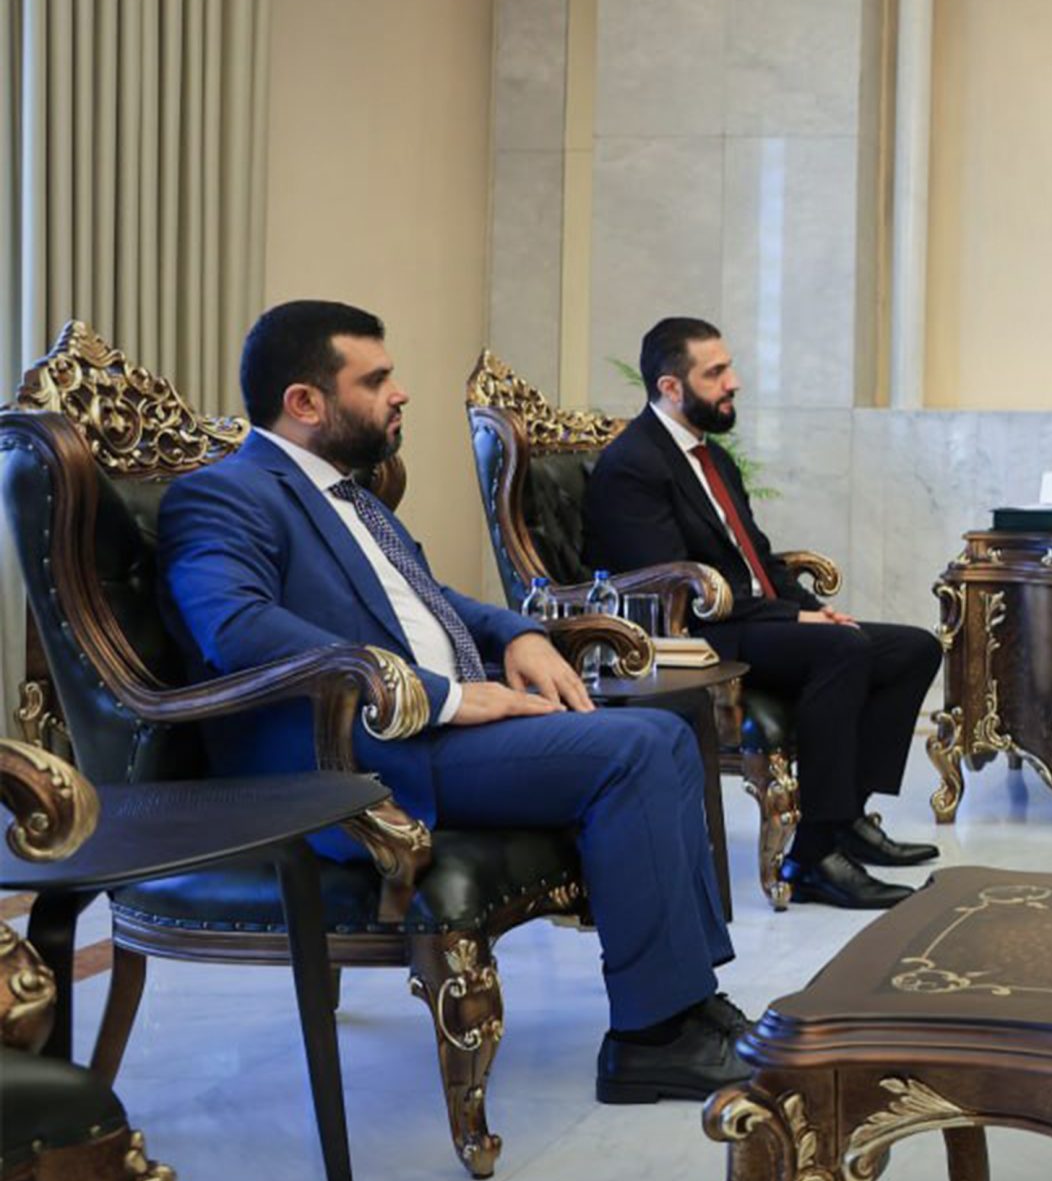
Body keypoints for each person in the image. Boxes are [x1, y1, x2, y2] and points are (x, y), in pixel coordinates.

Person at [158, 300, 748, 1104]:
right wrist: (442, 698)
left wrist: (519, 634)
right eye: (376, 380)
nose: (399, 392)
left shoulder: (352, 494)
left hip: (434, 730)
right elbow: (237, 629)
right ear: (305, 402)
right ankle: (651, 1040)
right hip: (357, 754)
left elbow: (431, 601)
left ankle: (688, 1003)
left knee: (665, 730)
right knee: (636, 747)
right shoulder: (224, 495)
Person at [583, 317, 942, 911]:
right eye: (716, 373)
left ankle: (845, 818)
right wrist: (791, 621)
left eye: (729, 368)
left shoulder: (713, 459)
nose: (734, 382)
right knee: (841, 650)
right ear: (671, 387)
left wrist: (812, 610)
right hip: (693, 635)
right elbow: (672, 578)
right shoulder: (634, 465)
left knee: (913, 648)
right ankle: (814, 858)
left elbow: (758, 559)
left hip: (748, 619)